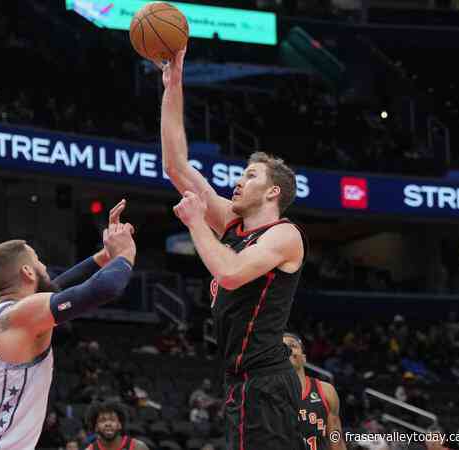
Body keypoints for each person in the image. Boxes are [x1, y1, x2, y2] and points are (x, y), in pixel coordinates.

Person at [161, 47, 307, 450]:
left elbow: (230, 272)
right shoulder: (232, 222)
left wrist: (194, 223)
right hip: (242, 381)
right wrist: (173, 86)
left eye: (251, 175)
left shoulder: (285, 235)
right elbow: (176, 166)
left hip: (266, 382)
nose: (239, 181)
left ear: (273, 191)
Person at [0, 200, 136, 450]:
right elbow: (105, 288)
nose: (45, 268)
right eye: (40, 262)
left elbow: (58, 288)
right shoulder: (20, 318)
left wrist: (103, 258)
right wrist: (126, 253)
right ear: (29, 272)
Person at [284, 332, 346, 450]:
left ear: (304, 358)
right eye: (282, 348)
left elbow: (336, 438)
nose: (287, 350)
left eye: (292, 345)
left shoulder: (325, 390)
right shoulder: (267, 394)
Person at [84, 401, 149, 450]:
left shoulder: (138, 447)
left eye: (112, 419)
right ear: (96, 427)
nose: (108, 424)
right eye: (102, 420)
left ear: (120, 424)